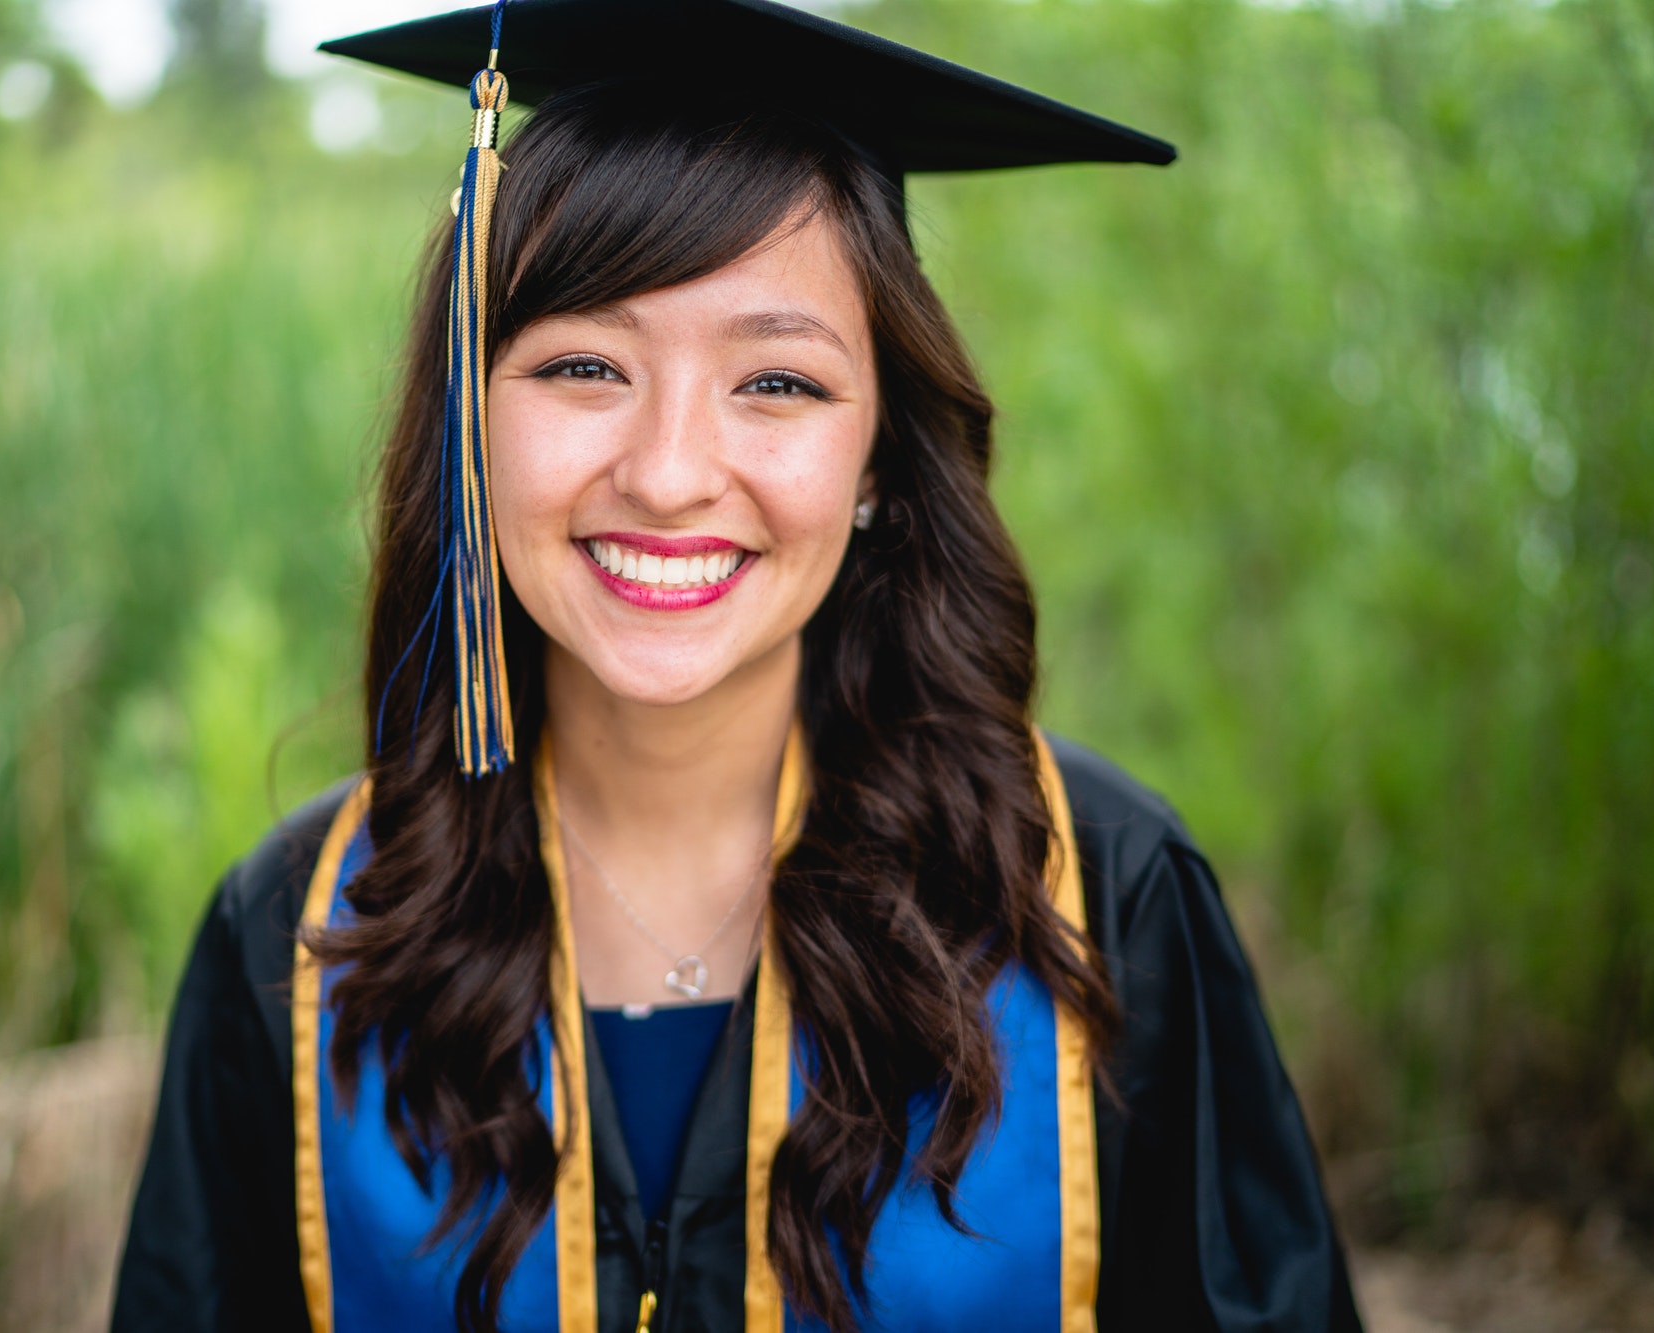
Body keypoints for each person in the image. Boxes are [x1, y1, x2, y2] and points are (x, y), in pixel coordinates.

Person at [112, 2, 1361, 1330]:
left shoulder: (1096, 901)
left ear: (881, 454)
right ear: (470, 418)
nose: (666, 474)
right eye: (586, 364)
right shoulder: (304, 939)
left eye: (777, 383)